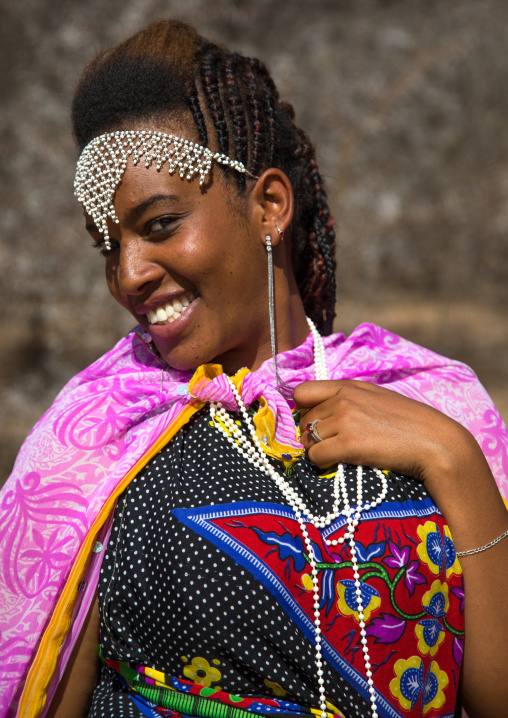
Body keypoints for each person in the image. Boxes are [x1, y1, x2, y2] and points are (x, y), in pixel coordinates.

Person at [1, 19, 507, 718]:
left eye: (158, 226)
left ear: (269, 206)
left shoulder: (429, 403)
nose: (129, 274)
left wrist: (454, 463)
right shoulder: (98, 442)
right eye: (107, 247)